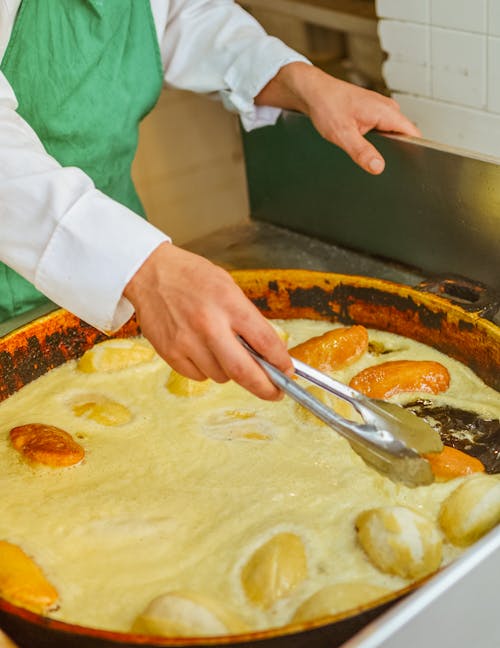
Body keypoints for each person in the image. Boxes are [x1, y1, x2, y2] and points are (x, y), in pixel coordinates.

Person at [0, 0, 420, 401]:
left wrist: (293, 79)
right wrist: (143, 270)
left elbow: (181, 13)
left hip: (116, 276)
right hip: (79, 273)